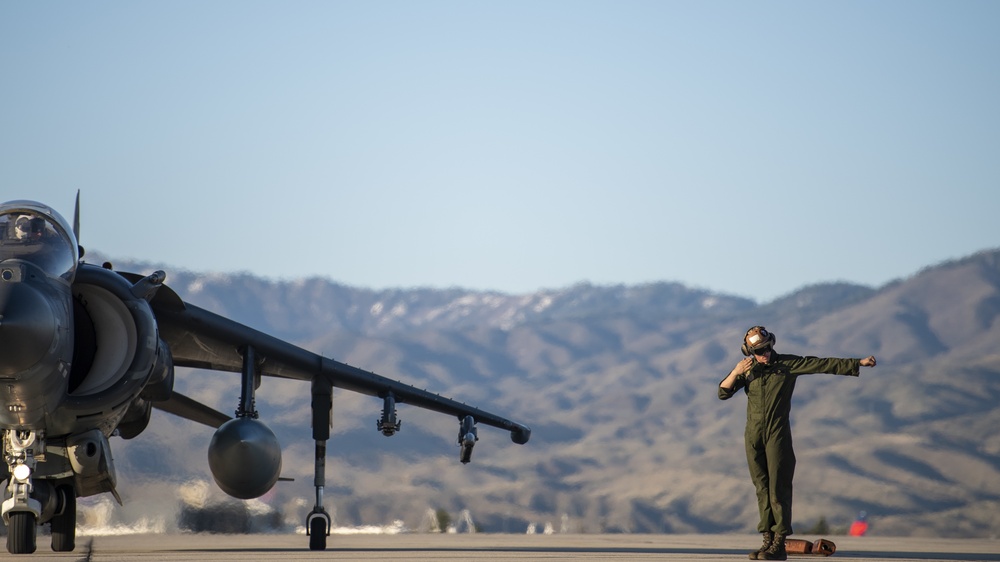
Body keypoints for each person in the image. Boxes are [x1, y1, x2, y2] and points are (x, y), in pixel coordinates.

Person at [718, 326, 876, 560]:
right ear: (749, 351)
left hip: (777, 434)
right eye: (759, 351)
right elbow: (723, 393)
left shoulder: (788, 364)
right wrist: (736, 371)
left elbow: (821, 364)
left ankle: (779, 544)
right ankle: (767, 541)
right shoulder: (747, 370)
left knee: (778, 488)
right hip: (752, 435)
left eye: (768, 348)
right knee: (761, 487)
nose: (765, 354)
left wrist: (857, 363)